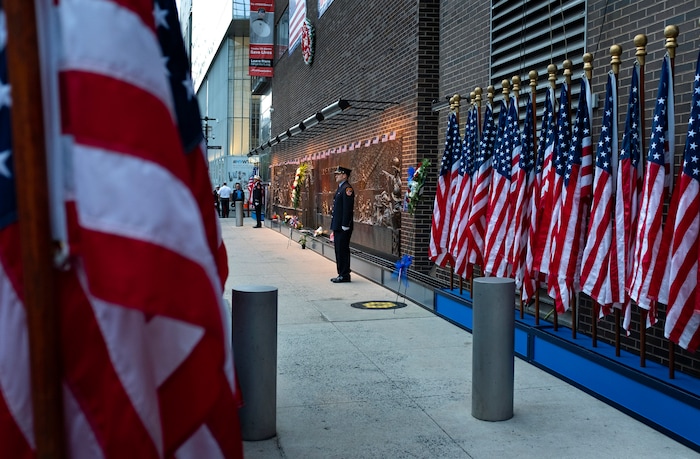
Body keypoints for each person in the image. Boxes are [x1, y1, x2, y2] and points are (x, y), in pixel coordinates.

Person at [330, 166, 355, 283]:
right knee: (338, 250)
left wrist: (345, 224)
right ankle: (341, 273)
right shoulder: (340, 188)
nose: (336, 176)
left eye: (338, 174)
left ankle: (344, 274)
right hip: (338, 225)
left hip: (343, 226)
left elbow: (347, 209)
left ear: (344, 175)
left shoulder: (347, 189)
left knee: (342, 250)